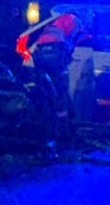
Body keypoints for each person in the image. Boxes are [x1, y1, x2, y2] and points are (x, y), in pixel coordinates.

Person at [29, 12, 87, 146]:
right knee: (60, 92)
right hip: (57, 51)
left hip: (40, 52)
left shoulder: (55, 21)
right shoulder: (74, 19)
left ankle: (47, 128)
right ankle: (61, 130)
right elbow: (75, 37)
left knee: (47, 91)